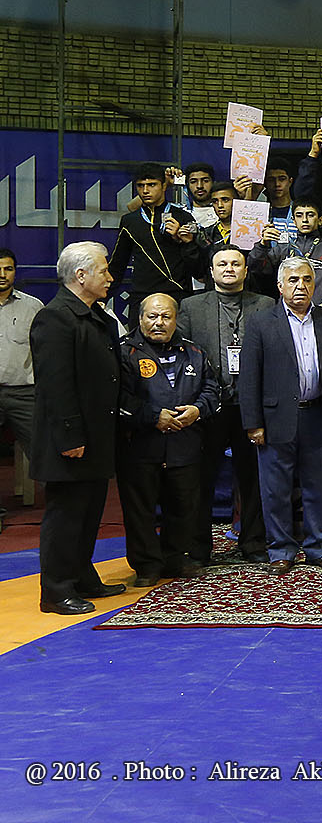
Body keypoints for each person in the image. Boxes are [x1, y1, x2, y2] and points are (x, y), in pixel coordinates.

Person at [239, 257, 322, 575]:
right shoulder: (261, 321)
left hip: (320, 415)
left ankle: (320, 547)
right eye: (293, 280)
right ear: (280, 286)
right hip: (276, 419)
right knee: (275, 490)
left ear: (315, 285)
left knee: (320, 486)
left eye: (306, 279)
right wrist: (253, 423)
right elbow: (249, 377)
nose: (300, 285)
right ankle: (281, 550)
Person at [32, 242, 125, 615]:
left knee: (88, 514)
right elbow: (55, 385)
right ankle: (55, 591)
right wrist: (70, 437)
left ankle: (83, 576)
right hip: (70, 439)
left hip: (97, 435)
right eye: (104, 270)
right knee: (66, 515)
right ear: (81, 275)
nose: (110, 277)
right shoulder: (55, 318)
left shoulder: (95, 316)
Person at [176, 244, 274, 564]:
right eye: (222, 264)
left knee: (253, 478)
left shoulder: (266, 304)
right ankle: (199, 546)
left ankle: (253, 542)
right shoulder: (191, 306)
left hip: (252, 405)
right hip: (208, 406)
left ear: (245, 270)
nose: (229, 268)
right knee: (201, 479)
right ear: (211, 271)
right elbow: (182, 355)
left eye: (235, 263)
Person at [117, 293, 220, 585]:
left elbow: (212, 390)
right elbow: (119, 398)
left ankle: (175, 559)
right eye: (152, 316)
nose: (159, 323)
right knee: (140, 511)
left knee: (184, 506)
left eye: (166, 317)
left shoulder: (194, 352)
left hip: (184, 444)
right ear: (140, 318)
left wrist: (197, 410)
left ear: (176, 320)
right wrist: (153, 417)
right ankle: (147, 566)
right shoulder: (125, 352)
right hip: (141, 445)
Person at [108, 161, 203, 314]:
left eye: (152, 185)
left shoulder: (183, 217)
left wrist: (186, 242)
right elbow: (118, 264)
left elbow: (199, 271)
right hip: (141, 297)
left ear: (164, 186)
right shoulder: (129, 221)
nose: (145, 190)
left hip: (177, 295)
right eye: (140, 186)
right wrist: (102, 298)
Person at [247, 198, 322, 304]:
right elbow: (256, 269)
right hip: (290, 309)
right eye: (299, 215)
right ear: (293, 221)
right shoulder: (283, 249)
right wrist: (263, 245)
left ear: (320, 220)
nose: (305, 220)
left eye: (310, 215)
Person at [0, 249, 42, 504]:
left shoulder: (33, 307)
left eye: (8, 269)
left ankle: (64, 509)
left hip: (24, 393)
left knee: (45, 450)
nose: (2, 274)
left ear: (15, 272)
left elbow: (45, 351)